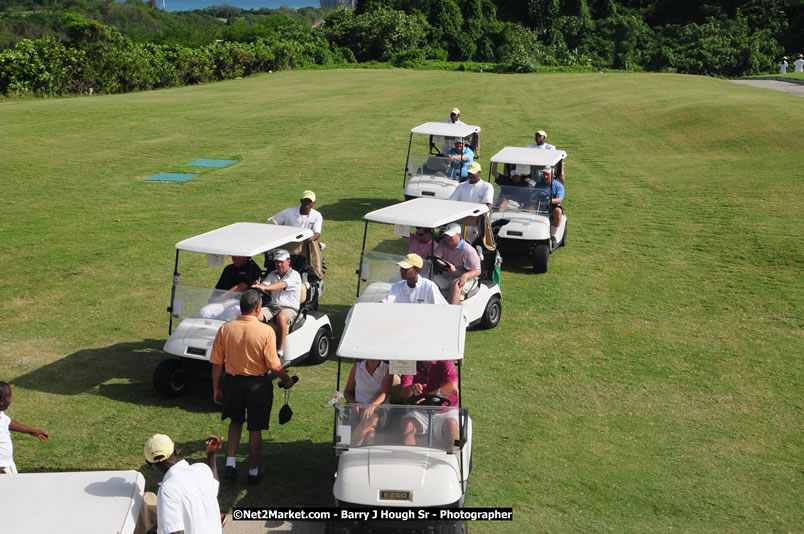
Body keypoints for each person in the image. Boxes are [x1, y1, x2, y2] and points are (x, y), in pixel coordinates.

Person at [210, 289, 295, 486]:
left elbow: (216, 363)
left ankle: (230, 465)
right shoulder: (266, 331)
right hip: (258, 386)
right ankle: (253, 471)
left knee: (235, 421)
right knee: (255, 428)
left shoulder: (225, 328)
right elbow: (274, 365)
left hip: (231, 383)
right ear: (258, 309)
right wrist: (286, 378)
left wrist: (216, 388)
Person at [144, 433, 223, 534]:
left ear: (150, 463)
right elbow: (214, 487)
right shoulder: (202, 469)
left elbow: (175, 532)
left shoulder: (167, 490)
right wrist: (211, 455)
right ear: (175, 451)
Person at [252, 249, 301, 360]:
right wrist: (259, 285)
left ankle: (279, 352)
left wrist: (264, 287)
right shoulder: (272, 274)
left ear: (288, 261)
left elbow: (281, 285)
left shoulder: (295, 275)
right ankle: (253, 346)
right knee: (253, 315)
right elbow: (265, 285)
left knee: (281, 317)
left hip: (290, 308)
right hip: (272, 307)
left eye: (281, 262)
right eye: (276, 262)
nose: (278, 264)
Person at [399, 360, 459, 450]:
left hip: (446, 411)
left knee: (452, 423)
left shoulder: (445, 361)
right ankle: (411, 459)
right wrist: (411, 389)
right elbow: (403, 394)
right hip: (420, 411)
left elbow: (453, 386)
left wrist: (429, 396)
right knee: (407, 425)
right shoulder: (411, 361)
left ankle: (451, 458)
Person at [0, 382, 48, 475]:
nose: (10, 400)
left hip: (8, 465)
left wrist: (31, 431)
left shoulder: (0, 413)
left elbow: (8, 422)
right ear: (1, 401)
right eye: (9, 397)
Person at [343, 359, 392, 446]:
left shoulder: (387, 369)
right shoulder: (357, 368)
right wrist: (353, 403)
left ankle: (351, 450)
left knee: (368, 418)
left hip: (380, 410)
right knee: (370, 433)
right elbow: (347, 391)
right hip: (360, 410)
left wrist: (372, 406)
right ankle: (363, 457)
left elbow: (385, 393)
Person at [199, 256, 262, 321]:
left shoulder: (253, 269)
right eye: (233, 257)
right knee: (204, 312)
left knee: (228, 316)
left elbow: (240, 287)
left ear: (245, 257)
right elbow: (219, 287)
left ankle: (226, 331)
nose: (235, 260)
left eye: (238, 258)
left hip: (240, 303)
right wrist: (213, 298)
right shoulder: (228, 269)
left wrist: (220, 297)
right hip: (223, 301)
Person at [433, 223, 481, 305]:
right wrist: (447, 264)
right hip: (446, 277)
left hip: (465, 279)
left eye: (450, 236)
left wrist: (465, 276)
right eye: (446, 235)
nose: (447, 238)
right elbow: (435, 257)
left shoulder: (468, 251)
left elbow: (477, 271)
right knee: (431, 283)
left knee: (456, 284)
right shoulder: (443, 243)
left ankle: (451, 312)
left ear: (459, 235)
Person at [381, 254, 448, 305]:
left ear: (417, 270)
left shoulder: (429, 286)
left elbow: (442, 307)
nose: (402, 271)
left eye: (406, 268)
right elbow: (385, 303)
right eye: (402, 268)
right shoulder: (397, 287)